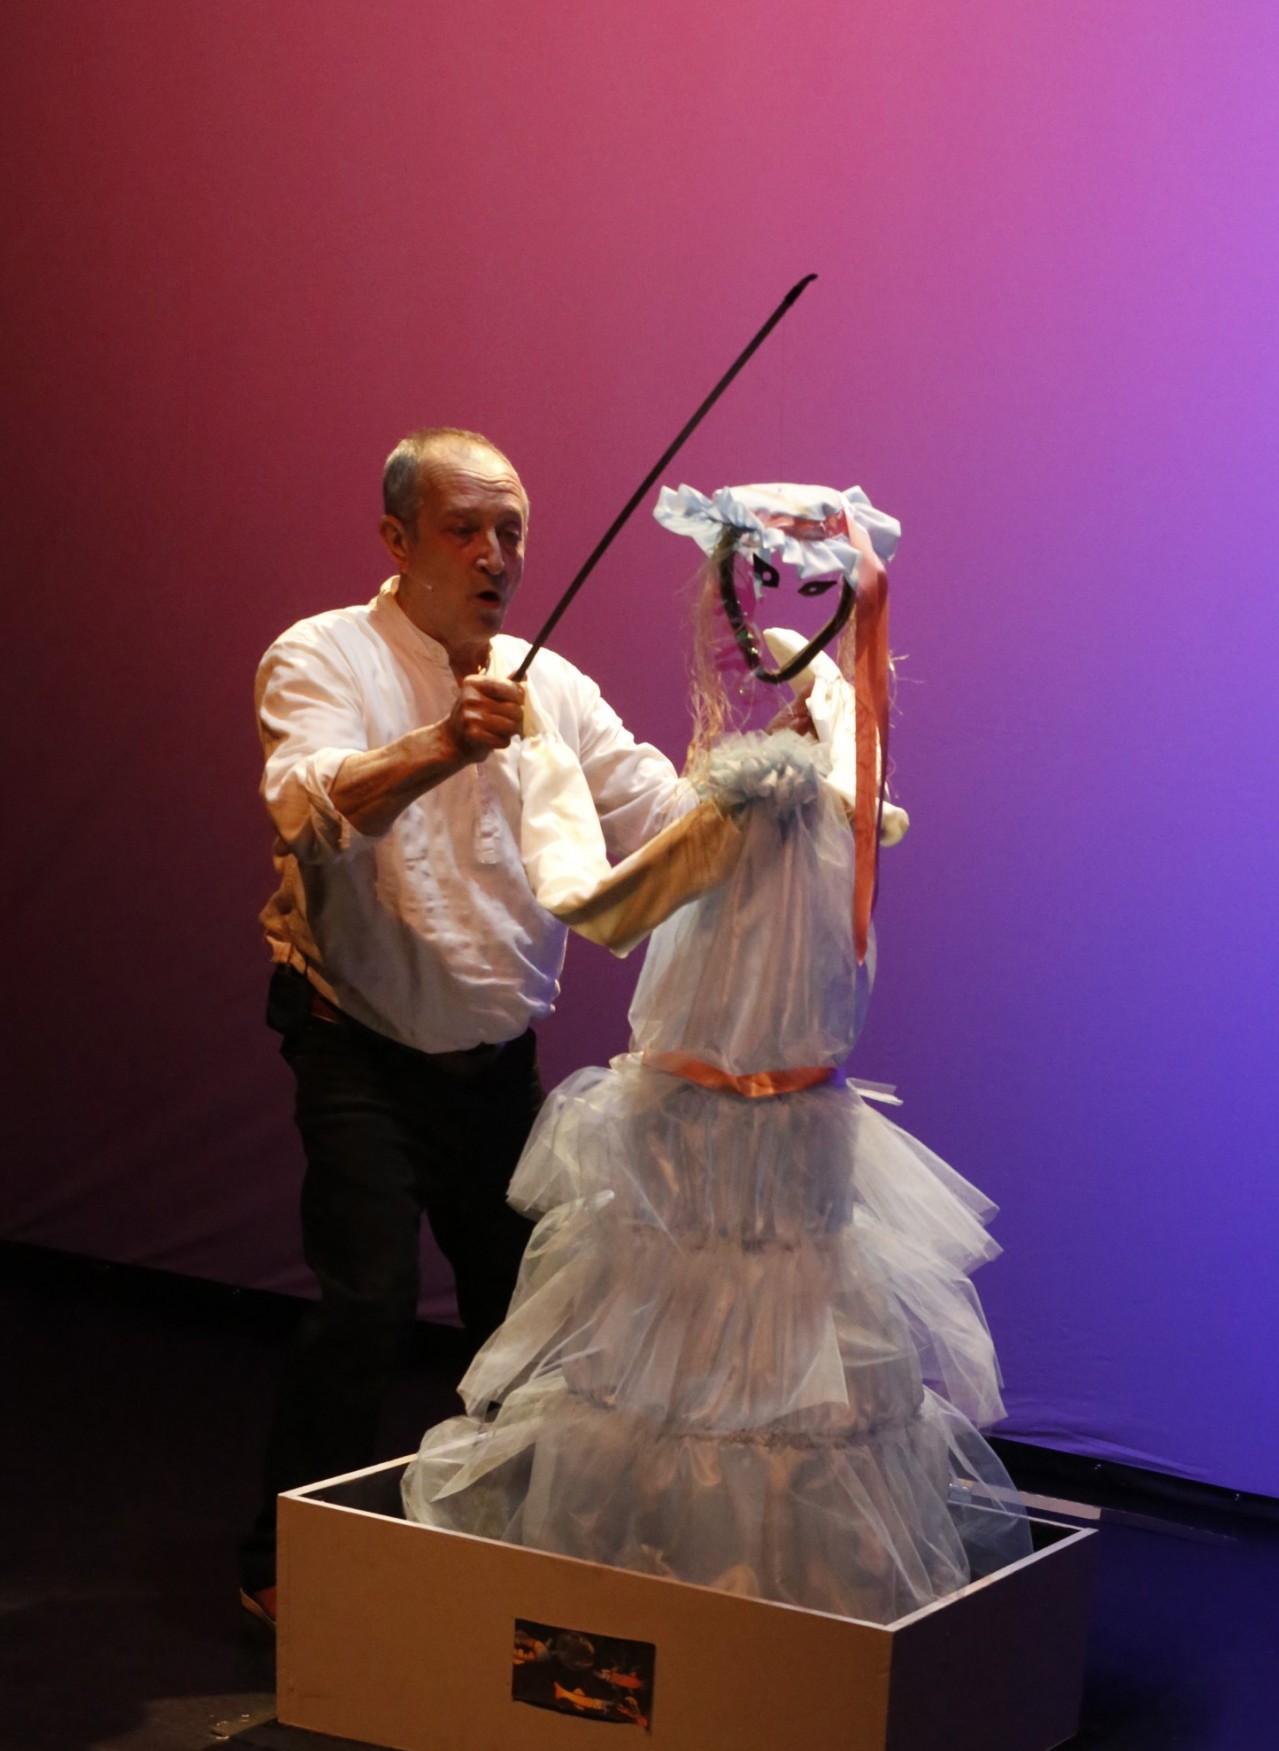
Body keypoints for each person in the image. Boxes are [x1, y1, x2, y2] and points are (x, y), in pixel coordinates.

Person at [401, 480, 1029, 1625]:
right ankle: (775, 1617)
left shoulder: (749, 807)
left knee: (675, 1378)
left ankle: (674, 1617)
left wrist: (538, 758)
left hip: (705, 1147)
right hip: (792, 1141)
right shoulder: (848, 795)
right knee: (782, 1380)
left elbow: (598, 906)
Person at [239, 430, 689, 1621]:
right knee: (369, 1301)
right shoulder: (323, 654)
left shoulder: (555, 686)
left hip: (493, 1059)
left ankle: (507, 1536)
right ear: (398, 539)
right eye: (465, 529)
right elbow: (307, 808)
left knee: (524, 1314)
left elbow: (657, 809)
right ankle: (280, 1563)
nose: (496, 555)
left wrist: (766, 787)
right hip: (358, 1039)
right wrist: (446, 739)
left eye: (512, 532)